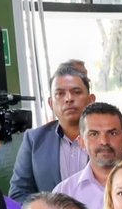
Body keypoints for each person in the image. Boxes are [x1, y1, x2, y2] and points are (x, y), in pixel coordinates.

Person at [10, 64, 95, 199]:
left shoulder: (110, 137)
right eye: (60, 94)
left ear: (91, 100)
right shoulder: (34, 140)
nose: (68, 99)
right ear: (51, 104)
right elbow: (18, 194)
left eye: (76, 92)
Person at [52, 102, 122, 209]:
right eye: (94, 134)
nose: (104, 141)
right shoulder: (65, 193)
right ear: (81, 142)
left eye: (112, 133)